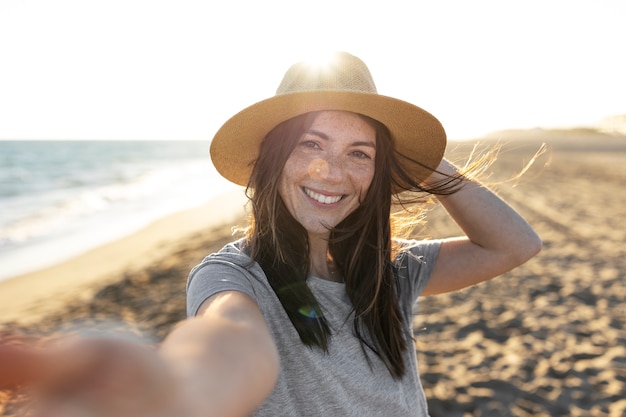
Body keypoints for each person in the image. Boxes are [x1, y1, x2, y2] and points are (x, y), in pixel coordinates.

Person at [0, 52, 541, 417]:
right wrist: (171, 388)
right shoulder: (234, 277)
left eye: (359, 154)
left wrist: (422, 161)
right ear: (270, 158)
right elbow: (228, 344)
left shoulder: (388, 271)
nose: (331, 173)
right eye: (310, 145)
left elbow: (515, 245)